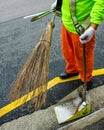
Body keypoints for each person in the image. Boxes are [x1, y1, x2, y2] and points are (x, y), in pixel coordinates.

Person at [51, 0, 104, 90]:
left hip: (82, 27)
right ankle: (72, 70)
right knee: (67, 51)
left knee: (83, 57)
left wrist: (93, 27)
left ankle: (86, 79)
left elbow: (101, 2)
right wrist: (59, 3)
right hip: (67, 24)